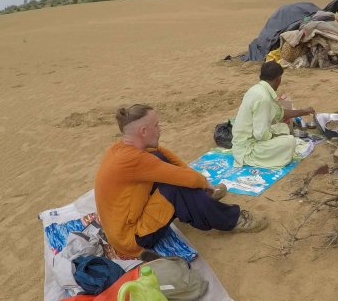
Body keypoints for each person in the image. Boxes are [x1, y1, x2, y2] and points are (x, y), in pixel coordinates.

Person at [95, 104, 267, 259]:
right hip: (131, 239)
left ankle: (203, 202)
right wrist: (204, 183)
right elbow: (187, 179)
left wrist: (197, 180)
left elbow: (165, 155)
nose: (160, 129)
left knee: (166, 166)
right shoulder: (134, 160)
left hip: (124, 224)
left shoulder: (121, 147)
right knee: (177, 188)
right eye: (156, 125)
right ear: (144, 131)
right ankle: (231, 220)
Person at [232, 61, 315, 168]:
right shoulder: (264, 98)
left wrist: (304, 111)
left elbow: (279, 113)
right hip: (247, 148)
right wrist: (274, 136)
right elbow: (260, 134)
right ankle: (254, 158)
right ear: (278, 79)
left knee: (283, 128)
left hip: (245, 139)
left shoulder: (257, 89)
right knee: (289, 142)